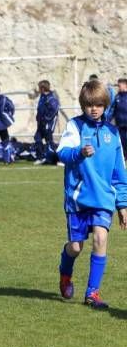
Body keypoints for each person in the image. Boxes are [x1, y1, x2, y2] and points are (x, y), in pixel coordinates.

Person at [56, 80, 127, 309]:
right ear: (83, 105)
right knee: (76, 247)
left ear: (105, 104)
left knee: (100, 238)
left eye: (98, 104)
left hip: (103, 199)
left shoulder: (113, 133)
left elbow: (119, 173)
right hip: (78, 199)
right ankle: (65, 273)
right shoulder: (75, 127)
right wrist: (79, 153)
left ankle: (92, 293)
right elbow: (62, 153)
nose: (93, 109)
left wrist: (122, 205)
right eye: (89, 105)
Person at [33, 80, 60, 165]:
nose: (38, 89)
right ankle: (41, 157)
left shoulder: (51, 98)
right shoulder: (42, 96)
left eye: (39, 87)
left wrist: (46, 119)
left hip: (48, 123)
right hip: (41, 122)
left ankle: (56, 159)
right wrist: (38, 117)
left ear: (43, 88)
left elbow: (54, 110)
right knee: (37, 138)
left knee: (49, 141)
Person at [112, 78, 127, 159]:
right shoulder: (117, 97)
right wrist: (107, 119)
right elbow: (113, 110)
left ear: (125, 85)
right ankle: (123, 156)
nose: (118, 87)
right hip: (120, 125)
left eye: (119, 85)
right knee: (121, 141)